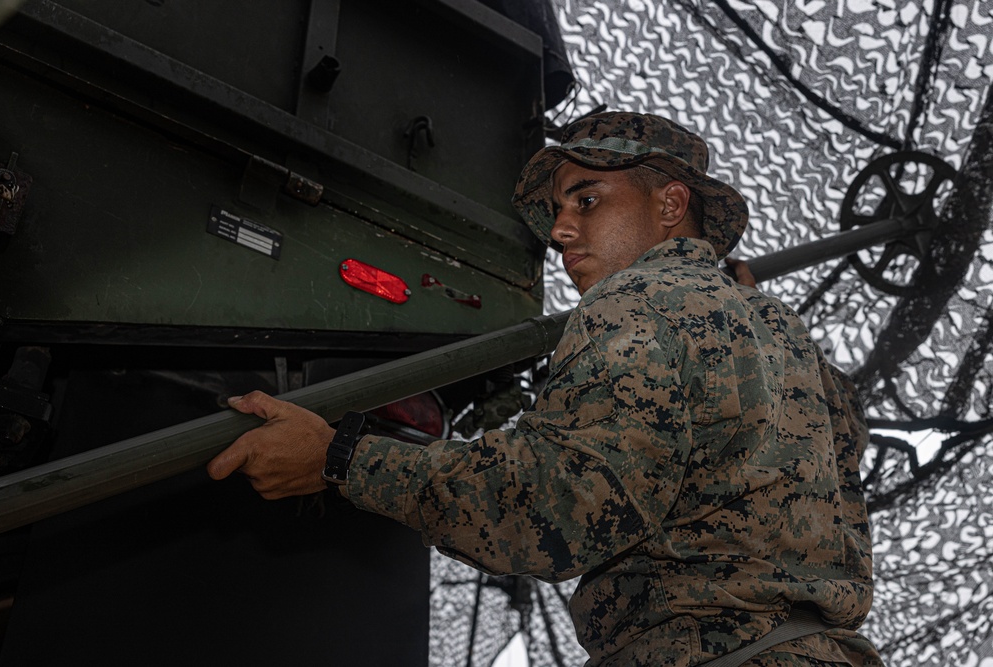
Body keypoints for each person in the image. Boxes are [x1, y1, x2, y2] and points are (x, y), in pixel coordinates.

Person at [208, 112, 882, 666]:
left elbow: (555, 506)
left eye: (587, 200)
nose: (560, 230)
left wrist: (341, 458)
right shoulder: (790, 336)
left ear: (672, 203)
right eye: (559, 210)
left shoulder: (637, 300)